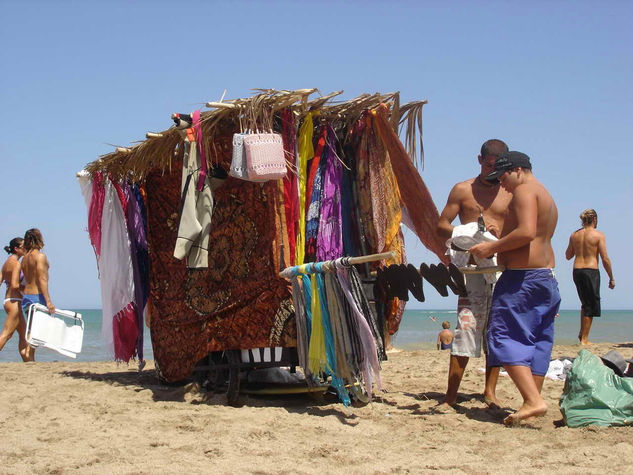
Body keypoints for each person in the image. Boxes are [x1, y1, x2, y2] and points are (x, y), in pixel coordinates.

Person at [470, 151, 560, 426]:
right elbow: (535, 237)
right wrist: (502, 237)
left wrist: (490, 247)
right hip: (545, 278)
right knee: (537, 340)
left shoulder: (523, 191)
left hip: (522, 280)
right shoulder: (544, 194)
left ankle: (533, 401)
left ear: (519, 170)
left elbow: (527, 233)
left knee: (503, 336)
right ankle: (531, 401)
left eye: (504, 177)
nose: (502, 184)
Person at [436, 139, 511, 409]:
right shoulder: (463, 190)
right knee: (465, 327)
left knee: (497, 331)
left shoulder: (511, 192)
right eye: (489, 165)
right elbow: (441, 225)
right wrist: (468, 232)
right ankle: (451, 395)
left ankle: (489, 391)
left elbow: (524, 228)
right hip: (471, 271)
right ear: (480, 160)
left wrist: (500, 236)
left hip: (502, 269)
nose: (493, 172)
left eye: (498, 167)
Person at [565, 209, 615, 345]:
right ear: (594, 220)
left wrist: (579, 247)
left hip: (577, 271)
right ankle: (585, 340)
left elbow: (568, 255)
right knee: (591, 305)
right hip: (590, 271)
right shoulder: (598, 235)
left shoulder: (574, 235)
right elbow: (605, 258)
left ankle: (582, 335)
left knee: (585, 304)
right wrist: (611, 277)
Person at [0, 237, 33, 361]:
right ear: (16, 248)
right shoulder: (17, 264)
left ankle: (28, 361)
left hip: (9, 301)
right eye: (23, 247)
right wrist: (29, 287)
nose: (26, 249)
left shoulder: (6, 262)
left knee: (24, 336)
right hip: (14, 301)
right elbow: (15, 285)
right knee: (7, 334)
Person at [21, 229, 55, 320]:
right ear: (39, 239)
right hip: (38, 297)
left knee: (32, 330)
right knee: (41, 331)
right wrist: (48, 302)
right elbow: (42, 279)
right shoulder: (40, 256)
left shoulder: (24, 258)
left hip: (27, 297)